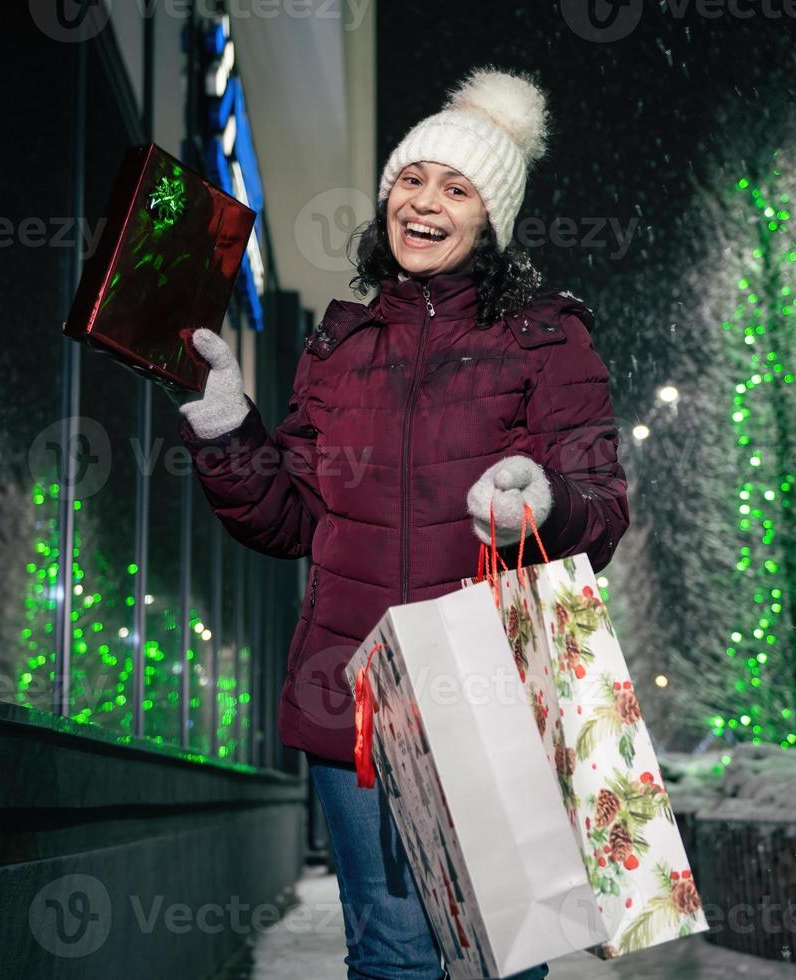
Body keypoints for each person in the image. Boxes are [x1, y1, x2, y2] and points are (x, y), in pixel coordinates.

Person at [177, 66, 629, 980]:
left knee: (497, 953)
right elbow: (286, 519)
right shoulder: (342, 342)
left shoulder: (546, 337)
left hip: (487, 697)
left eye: (455, 188)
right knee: (390, 955)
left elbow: (600, 507)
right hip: (353, 699)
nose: (424, 204)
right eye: (410, 180)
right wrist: (227, 425)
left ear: (489, 218)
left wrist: (540, 501)